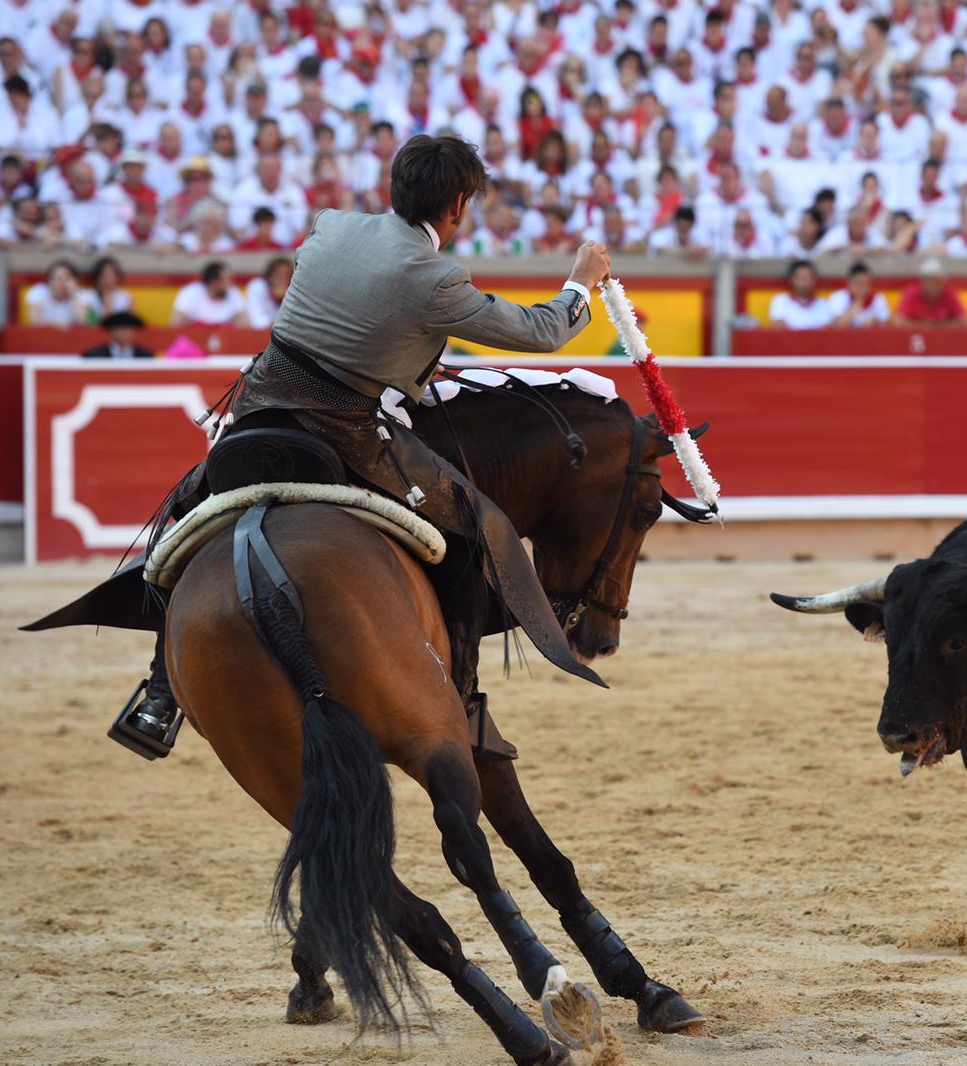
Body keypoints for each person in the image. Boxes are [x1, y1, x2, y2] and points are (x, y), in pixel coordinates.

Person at [119, 134, 611, 754]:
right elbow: (540, 332)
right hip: (342, 429)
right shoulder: (437, 279)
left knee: (188, 509)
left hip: (257, 403)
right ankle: (461, 699)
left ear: (393, 187)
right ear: (457, 207)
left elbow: (346, 307)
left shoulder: (329, 226)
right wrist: (581, 284)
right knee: (472, 529)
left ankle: (161, 692)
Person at [892, 258, 967, 327]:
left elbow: (965, 322)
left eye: (938, 282)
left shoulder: (949, 293)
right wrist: (922, 326)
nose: (934, 286)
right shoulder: (912, 293)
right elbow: (898, 322)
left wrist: (938, 327)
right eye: (930, 281)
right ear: (923, 281)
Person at [170, 261, 248, 326]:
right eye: (226, 280)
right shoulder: (191, 292)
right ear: (213, 282)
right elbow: (175, 324)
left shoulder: (233, 292)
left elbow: (245, 325)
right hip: (194, 340)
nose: (230, 284)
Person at [767, 259, 834, 328]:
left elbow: (826, 331)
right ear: (792, 279)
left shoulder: (822, 304)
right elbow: (777, 328)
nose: (806, 281)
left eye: (809, 277)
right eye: (802, 277)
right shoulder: (781, 301)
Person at [25, 260, 93, 327]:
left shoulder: (85, 295)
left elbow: (87, 324)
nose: (62, 283)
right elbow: (35, 323)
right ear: (50, 281)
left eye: (67, 279)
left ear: (75, 281)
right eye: (58, 279)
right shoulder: (38, 292)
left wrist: (74, 295)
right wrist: (59, 326)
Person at [825, 261, 891, 327]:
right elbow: (833, 326)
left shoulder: (878, 298)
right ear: (849, 283)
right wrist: (851, 313)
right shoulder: (838, 297)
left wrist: (875, 323)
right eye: (858, 283)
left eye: (865, 283)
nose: (862, 287)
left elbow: (886, 325)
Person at [82, 311, 155, 360]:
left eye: (128, 329)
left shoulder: (145, 355)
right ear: (111, 331)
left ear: (134, 332)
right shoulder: (95, 355)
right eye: (120, 329)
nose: (124, 333)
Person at [245, 257, 294, 329]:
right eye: (278, 275)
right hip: (260, 333)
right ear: (269, 275)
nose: (282, 279)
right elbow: (255, 319)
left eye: (286, 275)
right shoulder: (257, 286)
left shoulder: (294, 292)